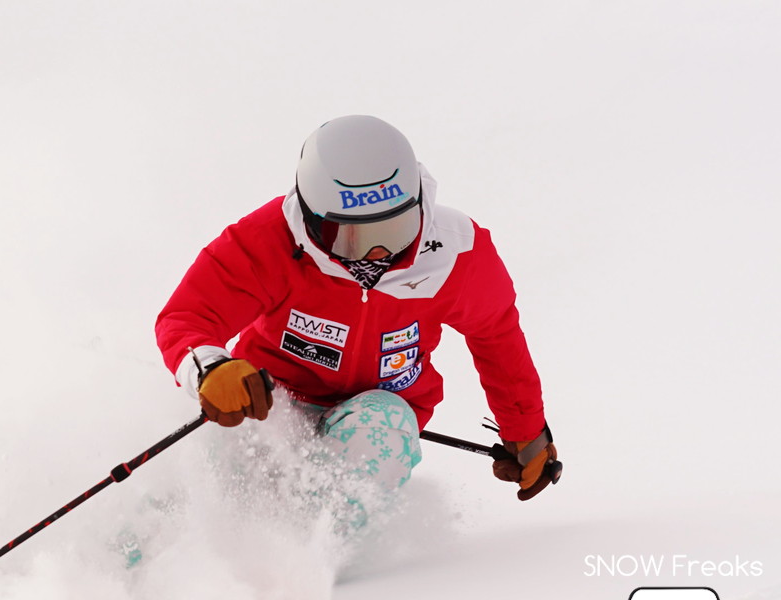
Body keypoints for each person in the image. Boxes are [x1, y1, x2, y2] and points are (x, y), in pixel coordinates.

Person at [155, 115, 560, 528]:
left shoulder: (456, 252)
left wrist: (526, 430)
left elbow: (496, 336)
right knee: (215, 476)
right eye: (352, 236)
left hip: (379, 415)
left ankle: (313, 550)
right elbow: (188, 315)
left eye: (396, 228)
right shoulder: (270, 238)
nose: (376, 255)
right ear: (313, 218)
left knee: (380, 427)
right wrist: (211, 368)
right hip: (269, 403)